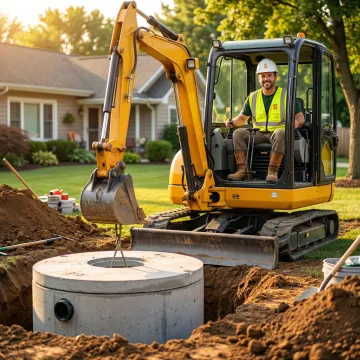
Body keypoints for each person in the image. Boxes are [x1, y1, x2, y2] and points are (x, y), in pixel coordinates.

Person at [225, 58, 305, 182]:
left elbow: (300, 117)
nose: (266, 79)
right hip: (259, 133)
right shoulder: (253, 97)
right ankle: (242, 170)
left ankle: (272, 171)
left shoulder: (286, 95)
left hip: (279, 134)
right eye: (263, 76)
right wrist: (232, 122)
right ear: (259, 78)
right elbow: (242, 117)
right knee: (238, 133)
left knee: (279, 133)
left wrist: (296, 123)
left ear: (275, 77)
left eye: (269, 75)